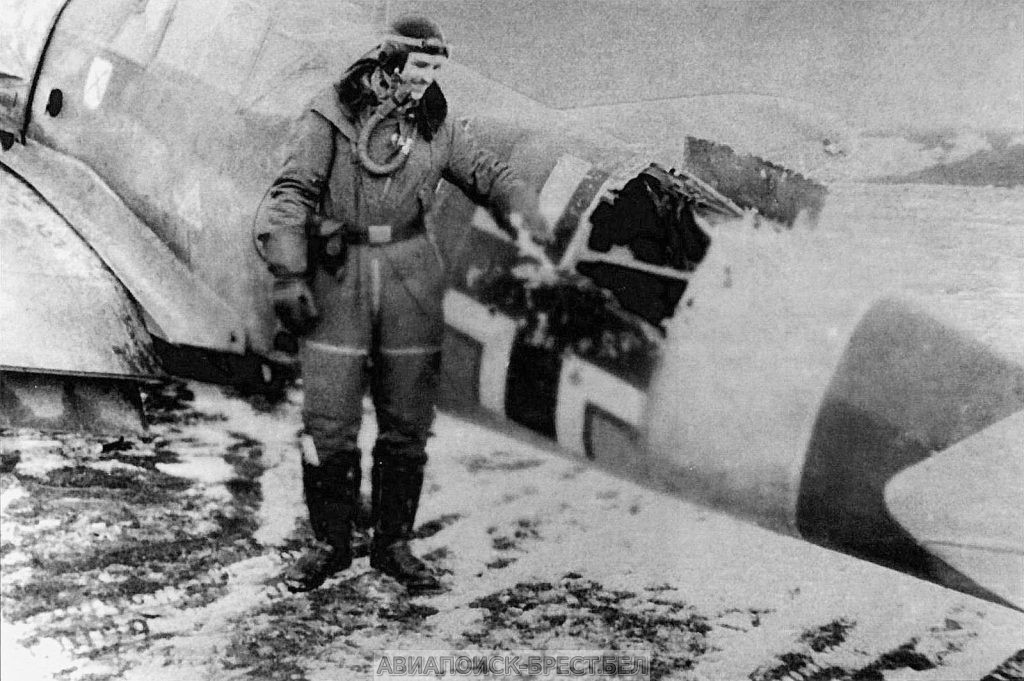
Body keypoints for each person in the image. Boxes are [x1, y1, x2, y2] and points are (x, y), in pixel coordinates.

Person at [255, 15, 550, 593]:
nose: (426, 78)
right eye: (419, 66)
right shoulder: (330, 114)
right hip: (340, 273)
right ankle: (329, 543)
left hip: (410, 275)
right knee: (330, 421)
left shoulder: (437, 124)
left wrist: (524, 209)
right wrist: (288, 272)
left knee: (407, 421)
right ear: (389, 60)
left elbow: (484, 172)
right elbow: (292, 192)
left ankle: (393, 545)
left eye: (436, 68)